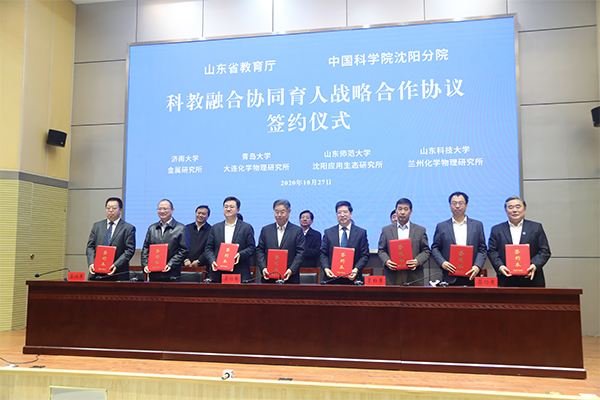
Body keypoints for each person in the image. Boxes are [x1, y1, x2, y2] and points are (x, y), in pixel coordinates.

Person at [488, 196, 551, 287]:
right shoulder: (497, 229)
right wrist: (500, 266)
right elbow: (492, 251)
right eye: (510, 207)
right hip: (506, 278)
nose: (514, 210)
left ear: (524, 209)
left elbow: (544, 251)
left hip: (531, 279)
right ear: (506, 210)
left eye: (518, 207)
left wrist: (534, 265)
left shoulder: (536, 227)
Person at [431, 192, 487, 285]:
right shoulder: (442, 226)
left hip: (471, 274)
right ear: (450, 206)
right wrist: (442, 263)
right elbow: (435, 248)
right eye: (454, 203)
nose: (457, 206)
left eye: (461, 203)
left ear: (466, 205)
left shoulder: (477, 225)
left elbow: (482, 249)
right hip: (450, 275)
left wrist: (477, 266)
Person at [378, 198, 431, 286]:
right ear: (396, 211)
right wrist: (387, 261)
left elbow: (426, 251)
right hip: (392, 275)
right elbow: (381, 250)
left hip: (414, 275)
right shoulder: (386, 230)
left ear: (410, 212)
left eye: (406, 209)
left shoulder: (420, 230)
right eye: (400, 209)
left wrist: (417, 261)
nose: (402, 212)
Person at [204, 196, 255, 283]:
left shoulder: (246, 228)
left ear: (238, 210)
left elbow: (251, 248)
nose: (228, 209)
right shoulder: (215, 228)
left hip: (239, 271)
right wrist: (212, 260)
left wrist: (240, 255)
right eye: (226, 207)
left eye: (231, 207)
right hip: (218, 272)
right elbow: (208, 248)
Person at [86, 197, 136, 281]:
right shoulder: (97, 226)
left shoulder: (128, 228)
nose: (110, 210)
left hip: (117, 273)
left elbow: (129, 250)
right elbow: (90, 247)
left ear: (120, 210)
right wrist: (91, 263)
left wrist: (116, 265)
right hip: (97, 273)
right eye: (108, 208)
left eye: (114, 208)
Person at [320, 201, 369, 284]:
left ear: (351, 214)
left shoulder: (361, 233)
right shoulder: (328, 232)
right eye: (339, 212)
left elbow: (365, 255)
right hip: (332, 278)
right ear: (336, 215)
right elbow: (323, 254)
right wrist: (326, 268)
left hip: (352, 278)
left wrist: (356, 269)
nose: (342, 215)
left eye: (345, 212)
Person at [256, 200, 305, 284]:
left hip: (290, 277)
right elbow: (260, 250)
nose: (279, 215)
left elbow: (301, 252)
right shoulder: (266, 230)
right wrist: (263, 268)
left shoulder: (297, 231)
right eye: (276, 212)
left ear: (289, 212)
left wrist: (291, 269)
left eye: (282, 212)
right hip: (269, 276)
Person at [141, 199, 188, 281]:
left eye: (165, 208)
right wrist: (145, 264)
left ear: (172, 210)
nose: (162, 211)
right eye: (160, 209)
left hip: (172, 274)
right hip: (154, 274)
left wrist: (170, 264)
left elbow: (184, 250)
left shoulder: (180, 228)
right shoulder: (152, 228)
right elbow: (146, 248)